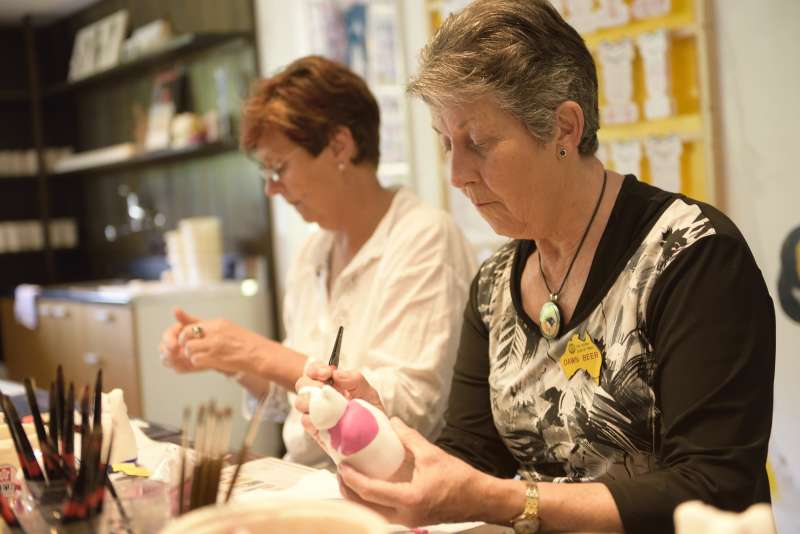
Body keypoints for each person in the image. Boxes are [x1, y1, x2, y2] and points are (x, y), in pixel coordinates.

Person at [295, 2, 775, 532]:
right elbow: (471, 458)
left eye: (478, 143)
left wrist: (506, 501)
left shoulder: (692, 257)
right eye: (446, 143)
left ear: (564, 128)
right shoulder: (495, 285)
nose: (456, 174)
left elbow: (712, 489)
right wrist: (370, 431)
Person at [159, 55, 476, 467]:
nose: (272, 189)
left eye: (278, 168)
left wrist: (257, 352)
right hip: (312, 481)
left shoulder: (424, 237)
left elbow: (411, 407)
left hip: (393, 492)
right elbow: (298, 392)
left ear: (339, 146)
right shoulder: (314, 252)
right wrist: (228, 358)